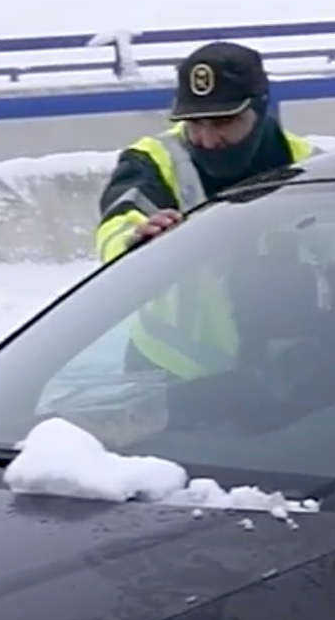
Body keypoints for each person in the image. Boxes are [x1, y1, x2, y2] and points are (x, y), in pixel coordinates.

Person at [92, 41, 319, 378]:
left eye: (223, 122)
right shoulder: (152, 160)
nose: (208, 139)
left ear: (259, 110)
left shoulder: (314, 166)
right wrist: (134, 242)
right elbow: (119, 221)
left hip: (294, 376)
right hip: (170, 374)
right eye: (195, 123)